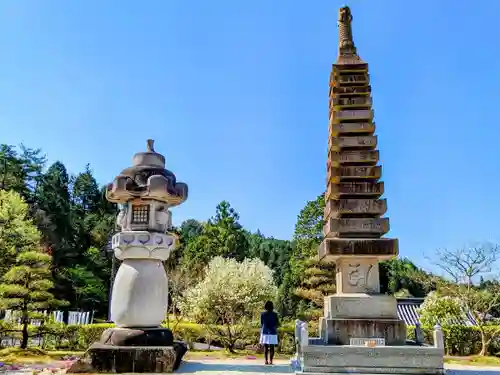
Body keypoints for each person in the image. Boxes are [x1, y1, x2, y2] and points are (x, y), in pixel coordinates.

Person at [260, 301, 279, 365]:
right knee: (272, 347)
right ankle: (271, 361)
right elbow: (277, 323)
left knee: (265, 346)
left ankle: (266, 360)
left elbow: (262, 323)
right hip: (273, 331)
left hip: (265, 331)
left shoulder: (262, 314)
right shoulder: (275, 314)